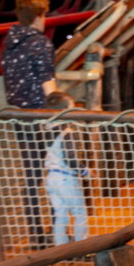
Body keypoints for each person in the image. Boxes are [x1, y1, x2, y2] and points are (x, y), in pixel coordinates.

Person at [1, 0, 59, 246]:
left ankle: (36, 234)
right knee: (57, 171)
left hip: (19, 116)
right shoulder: (41, 42)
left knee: (32, 175)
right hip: (42, 116)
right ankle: (59, 231)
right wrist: (59, 114)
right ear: (39, 16)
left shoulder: (9, 41)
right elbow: (48, 81)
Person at [42, 93, 90, 246]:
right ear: (64, 110)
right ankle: (82, 247)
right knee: (80, 213)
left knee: (60, 214)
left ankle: (60, 248)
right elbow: (70, 159)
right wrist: (85, 171)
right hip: (65, 178)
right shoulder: (67, 132)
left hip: (51, 178)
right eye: (71, 106)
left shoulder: (47, 128)